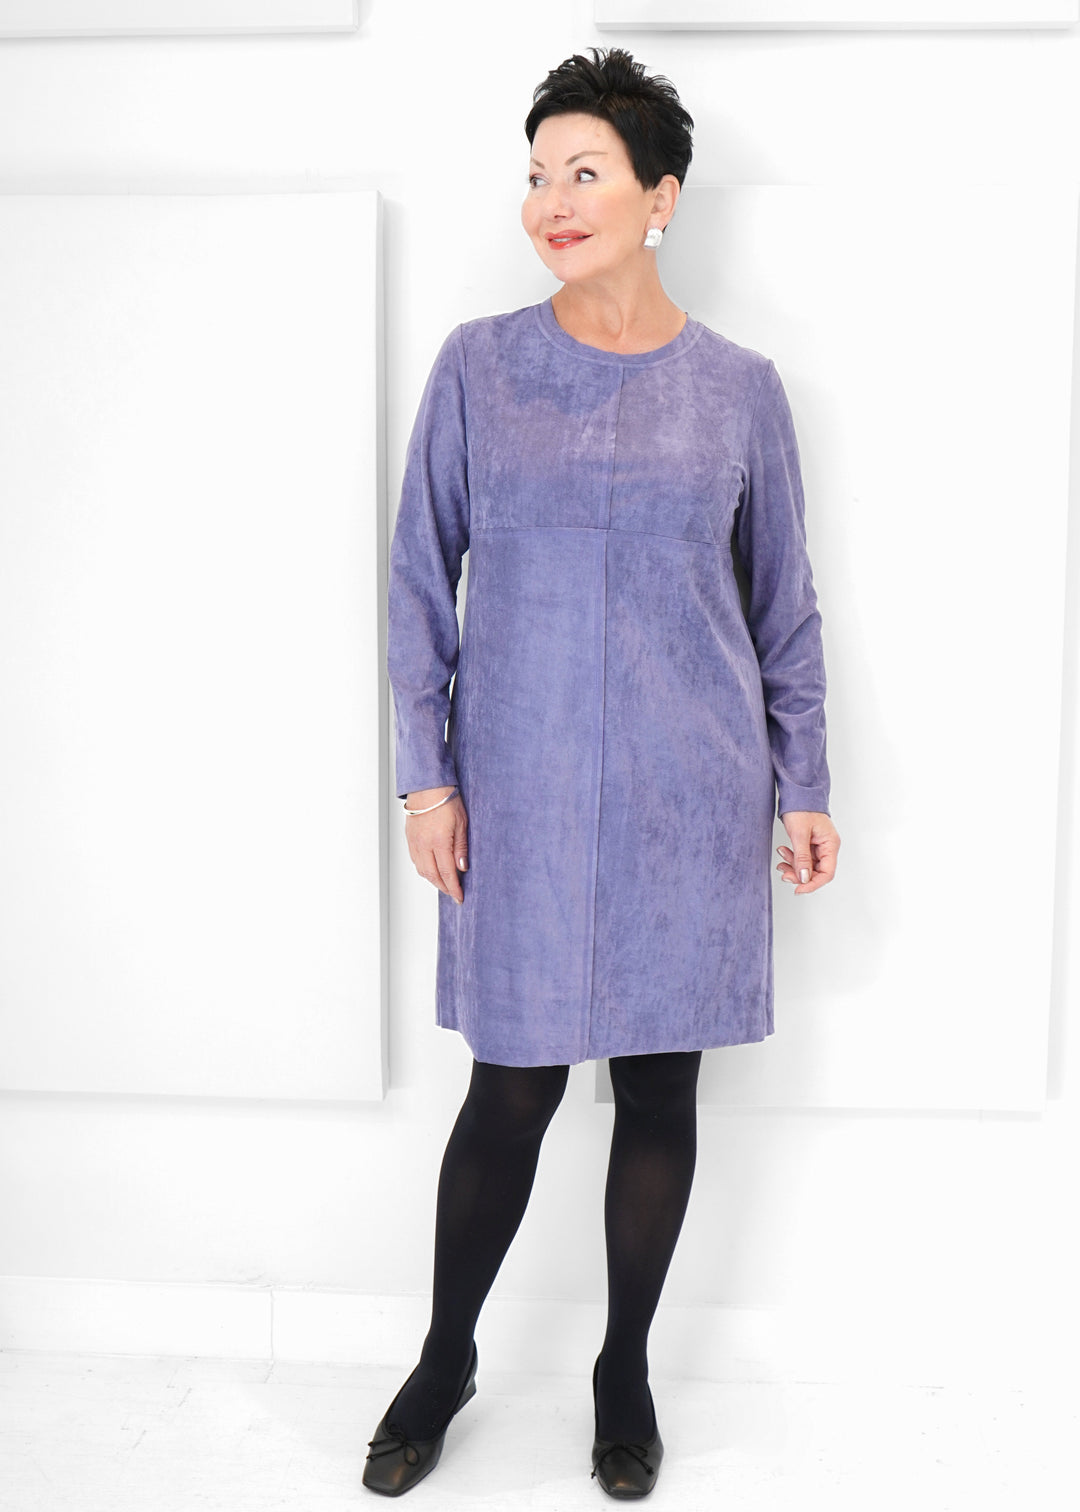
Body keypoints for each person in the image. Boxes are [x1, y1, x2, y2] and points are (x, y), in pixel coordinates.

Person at [366, 46, 841, 1500]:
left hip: (690, 798)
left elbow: (783, 603)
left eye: (584, 172)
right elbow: (416, 581)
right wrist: (426, 777)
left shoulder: (740, 390)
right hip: (515, 795)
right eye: (536, 175)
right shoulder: (479, 366)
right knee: (508, 1092)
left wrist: (806, 781)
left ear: (660, 197)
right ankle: (445, 1354)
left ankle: (623, 1364)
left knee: (658, 1088)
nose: (551, 201)